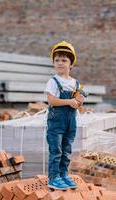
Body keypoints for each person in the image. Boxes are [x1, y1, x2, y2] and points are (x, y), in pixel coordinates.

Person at [45, 41, 86, 190]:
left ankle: (63, 175)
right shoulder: (53, 81)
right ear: (53, 63)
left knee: (67, 150)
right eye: (57, 60)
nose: (60, 63)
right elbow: (51, 101)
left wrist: (79, 101)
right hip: (56, 122)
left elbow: (78, 100)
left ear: (71, 64)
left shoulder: (75, 83)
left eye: (64, 60)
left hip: (70, 121)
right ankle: (53, 178)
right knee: (56, 150)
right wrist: (70, 101)